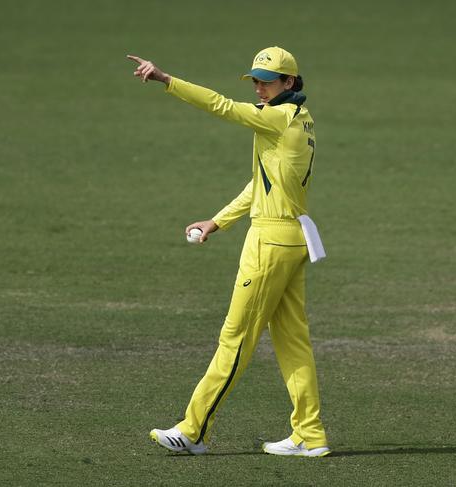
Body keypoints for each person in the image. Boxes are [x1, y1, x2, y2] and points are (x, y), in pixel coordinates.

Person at [127, 47, 330, 457]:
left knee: (235, 339)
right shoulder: (301, 120)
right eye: (255, 80)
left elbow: (221, 106)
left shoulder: (276, 118)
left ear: (290, 82)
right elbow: (262, 185)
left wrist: (167, 80)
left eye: (267, 82)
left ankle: (193, 429)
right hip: (291, 240)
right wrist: (217, 221)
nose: (259, 88)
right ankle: (310, 435)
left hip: (270, 245)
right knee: (293, 342)